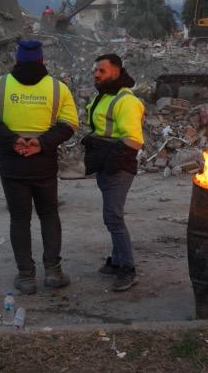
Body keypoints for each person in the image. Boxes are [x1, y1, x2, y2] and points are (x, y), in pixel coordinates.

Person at [0, 40, 79, 295]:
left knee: (19, 218)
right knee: (48, 214)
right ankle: (53, 272)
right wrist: (40, 143)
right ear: (42, 60)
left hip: (12, 164)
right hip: (44, 163)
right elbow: (69, 125)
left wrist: (14, 141)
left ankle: (26, 277)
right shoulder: (58, 89)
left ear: (17, 59)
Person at [81, 53, 144, 292]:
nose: (96, 74)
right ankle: (117, 261)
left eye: (102, 71)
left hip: (118, 166)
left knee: (114, 217)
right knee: (112, 216)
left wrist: (109, 163)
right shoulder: (106, 96)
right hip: (106, 163)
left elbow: (134, 140)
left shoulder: (125, 100)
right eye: (95, 70)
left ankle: (127, 269)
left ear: (117, 71)